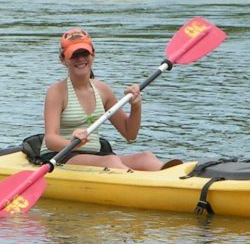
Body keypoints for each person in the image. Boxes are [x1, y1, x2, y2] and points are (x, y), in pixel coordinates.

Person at [41, 27, 164, 171]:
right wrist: (71, 142)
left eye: (84, 53)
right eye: (74, 55)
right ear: (63, 60)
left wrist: (136, 106)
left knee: (146, 158)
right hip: (60, 155)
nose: (80, 59)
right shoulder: (56, 92)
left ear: (93, 54)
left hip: (94, 156)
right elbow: (50, 139)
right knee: (111, 162)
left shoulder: (103, 90)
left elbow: (130, 134)